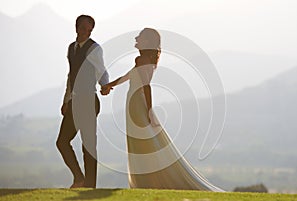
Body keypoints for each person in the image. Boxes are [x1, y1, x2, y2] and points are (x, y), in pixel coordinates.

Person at [101, 28, 223, 191]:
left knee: (142, 142)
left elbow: (146, 85)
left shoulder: (141, 59)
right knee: (143, 141)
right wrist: (110, 85)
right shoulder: (144, 59)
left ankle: (146, 181)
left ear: (147, 42)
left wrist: (149, 109)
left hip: (137, 104)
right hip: (136, 102)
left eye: (140, 37)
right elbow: (128, 76)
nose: (136, 38)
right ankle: (147, 180)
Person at [56, 15, 109, 188]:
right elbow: (71, 77)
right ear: (76, 27)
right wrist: (66, 100)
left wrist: (105, 85)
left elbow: (102, 72)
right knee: (62, 142)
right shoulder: (71, 48)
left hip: (88, 101)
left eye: (89, 30)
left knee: (88, 146)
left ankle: (90, 186)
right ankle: (79, 178)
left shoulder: (95, 49)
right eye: (83, 28)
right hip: (74, 102)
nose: (86, 32)